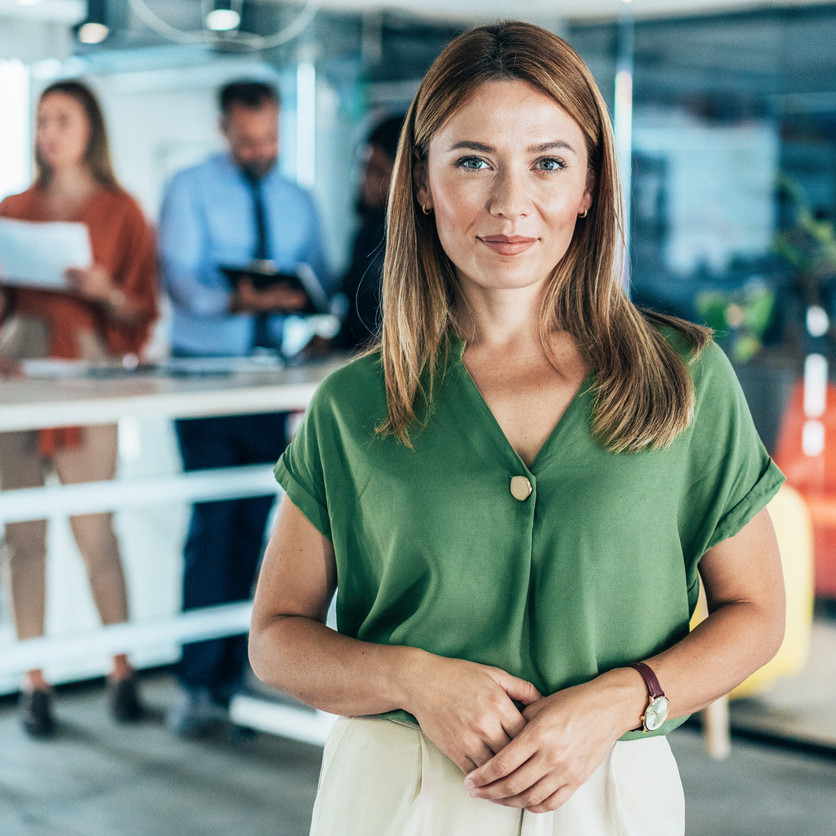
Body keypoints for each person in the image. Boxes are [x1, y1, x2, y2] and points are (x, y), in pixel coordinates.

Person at [249, 21, 786, 835]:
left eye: (548, 163)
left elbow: (756, 613)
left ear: (590, 185)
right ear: (421, 182)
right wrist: (412, 679)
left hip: (610, 796)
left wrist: (626, 697)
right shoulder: (354, 404)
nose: (511, 203)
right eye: (473, 162)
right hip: (395, 801)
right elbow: (276, 639)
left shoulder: (683, 379)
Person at [158, 79, 331, 738]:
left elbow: (323, 276)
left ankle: (233, 678)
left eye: (270, 138)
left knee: (258, 526)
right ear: (224, 129)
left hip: (267, 381)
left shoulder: (298, 199)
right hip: (203, 378)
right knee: (213, 524)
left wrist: (299, 301)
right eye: (247, 139)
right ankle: (196, 683)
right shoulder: (190, 188)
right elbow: (183, 283)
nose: (260, 150)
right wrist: (243, 300)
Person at [0, 80, 158, 737]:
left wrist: (105, 290)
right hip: (18, 368)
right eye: (42, 121)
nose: (49, 133)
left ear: (90, 127)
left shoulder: (122, 211)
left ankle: (121, 669)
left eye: (62, 119)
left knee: (96, 531)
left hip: (88, 371)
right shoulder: (11, 208)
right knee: (24, 537)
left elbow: (141, 309)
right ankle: (34, 681)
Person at [337, 113, 405, 349]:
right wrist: (336, 341)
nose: (364, 180)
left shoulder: (419, 240)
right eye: (363, 168)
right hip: (359, 358)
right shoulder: (366, 232)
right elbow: (356, 317)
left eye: (377, 171)